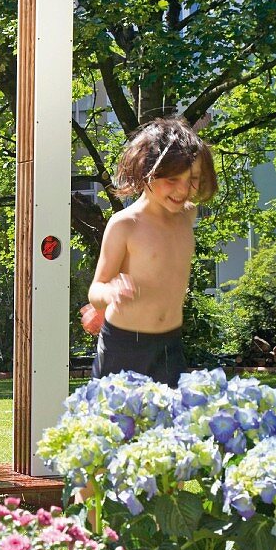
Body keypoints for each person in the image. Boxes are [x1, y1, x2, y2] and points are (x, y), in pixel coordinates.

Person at [87, 117, 218, 387]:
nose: (183, 189)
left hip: (169, 345)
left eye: (192, 179)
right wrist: (110, 292)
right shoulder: (126, 224)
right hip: (123, 346)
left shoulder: (187, 216)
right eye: (172, 179)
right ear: (146, 172)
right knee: (114, 425)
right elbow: (96, 290)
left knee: (171, 425)